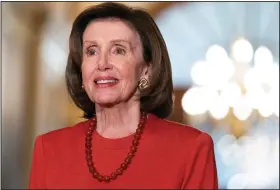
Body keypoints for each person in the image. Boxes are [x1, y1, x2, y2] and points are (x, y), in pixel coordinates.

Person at [29, 2, 218, 189]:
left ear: (146, 70)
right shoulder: (49, 149)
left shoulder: (192, 149)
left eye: (118, 50)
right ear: (81, 70)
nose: (102, 63)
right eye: (91, 51)